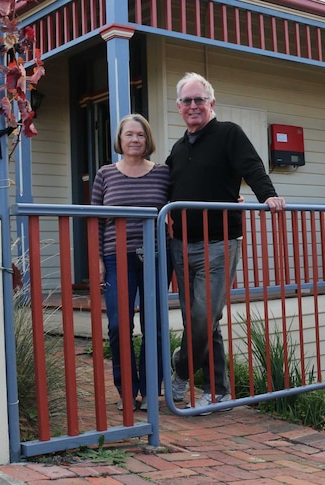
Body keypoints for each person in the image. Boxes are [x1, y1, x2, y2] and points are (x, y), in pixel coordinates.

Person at [166, 72, 286, 412]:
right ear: (179, 107)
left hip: (217, 244)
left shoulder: (228, 133)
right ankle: (218, 390)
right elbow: (166, 186)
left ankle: (180, 368)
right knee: (200, 321)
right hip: (180, 245)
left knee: (204, 316)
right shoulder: (178, 148)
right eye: (187, 101)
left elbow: (252, 167)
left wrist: (269, 196)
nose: (193, 106)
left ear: (211, 103)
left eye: (198, 100)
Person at [91, 113, 171, 412]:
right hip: (115, 257)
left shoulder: (163, 173)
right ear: (120, 140)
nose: (135, 139)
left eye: (140, 134)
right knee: (118, 325)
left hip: (155, 257)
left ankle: (152, 388)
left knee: (155, 325)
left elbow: (186, 197)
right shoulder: (105, 174)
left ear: (147, 139)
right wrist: (97, 258)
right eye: (129, 135)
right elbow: (96, 221)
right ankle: (127, 390)